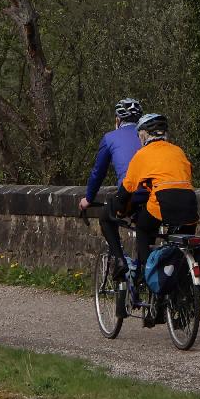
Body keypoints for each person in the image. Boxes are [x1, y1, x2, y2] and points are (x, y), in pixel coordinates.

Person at [117, 112, 196, 309]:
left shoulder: (142, 155)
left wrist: (120, 210)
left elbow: (127, 189)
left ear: (144, 134)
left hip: (162, 204)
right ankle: (181, 294)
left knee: (144, 229)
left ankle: (148, 274)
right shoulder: (178, 151)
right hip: (189, 204)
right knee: (180, 246)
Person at [78, 97, 144, 272]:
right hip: (155, 193)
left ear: (118, 119)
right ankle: (143, 269)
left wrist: (88, 198)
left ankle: (120, 260)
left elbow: (98, 173)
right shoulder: (148, 137)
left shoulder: (110, 138)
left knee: (106, 217)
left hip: (129, 194)